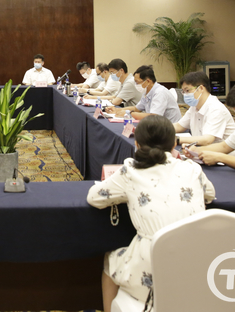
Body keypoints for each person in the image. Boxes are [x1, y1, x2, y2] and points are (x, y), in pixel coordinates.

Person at [87, 115, 215, 311]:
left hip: (152, 265)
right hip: (196, 264)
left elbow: (94, 198)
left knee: (110, 260)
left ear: (137, 144)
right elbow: (210, 194)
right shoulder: (192, 168)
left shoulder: (130, 170)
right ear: (174, 144)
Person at [174, 71, 235, 146]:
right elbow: (179, 126)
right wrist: (161, 129)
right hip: (203, 150)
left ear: (201, 88)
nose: (185, 95)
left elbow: (207, 140)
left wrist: (177, 139)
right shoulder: (194, 107)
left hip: (222, 152)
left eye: (187, 90)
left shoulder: (215, 108)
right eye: (183, 92)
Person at [107, 65, 182, 122]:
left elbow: (154, 116)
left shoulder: (160, 92)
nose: (136, 85)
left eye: (137, 82)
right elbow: (136, 108)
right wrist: (117, 110)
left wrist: (129, 114)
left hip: (171, 128)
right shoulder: (146, 91)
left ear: (148, 81)